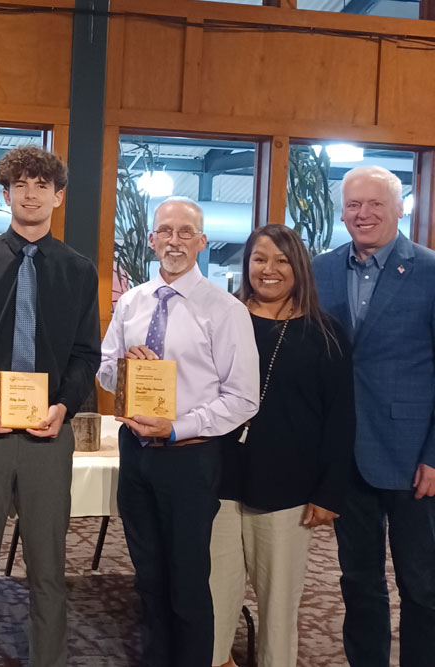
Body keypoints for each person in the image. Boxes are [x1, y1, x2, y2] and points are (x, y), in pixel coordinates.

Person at [0, 146, 101, 667]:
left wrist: (63, 406)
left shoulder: (78, 271)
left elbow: (85, 353)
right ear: (6, 194)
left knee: (49, 562)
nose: (30, 194)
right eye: (20, 185)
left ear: (57, 197)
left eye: (41, 185)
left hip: (49, 434)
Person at [97, 196, 259, 667]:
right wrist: (124, 370)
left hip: (189, 456)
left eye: (185, 232)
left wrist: (177, 428)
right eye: (165, 231)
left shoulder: (226, 310)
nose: (174, 240)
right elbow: (105, 371)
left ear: (202, 242)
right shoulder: (132, 302)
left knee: (188, 581)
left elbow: (243, 399)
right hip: (136, 454)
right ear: (152, 240)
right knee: (148, 577)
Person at [209, 224, 354, 667]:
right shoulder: (219, 320)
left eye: (281, 261)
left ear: (299, 268)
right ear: (246, 264)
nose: (268, 270)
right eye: (259, 259)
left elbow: (341, 420)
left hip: (288, 490)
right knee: (211, 603)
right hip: (216, 482)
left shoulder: (325, 333)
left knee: (278, 614)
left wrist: (330, 492)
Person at [312, 165, 435, 667]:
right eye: (353, 205)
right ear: (342, 213)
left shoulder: (430, 270)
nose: (363, 214)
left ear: (400, 208)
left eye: (375, 204)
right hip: (346, 455)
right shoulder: (319, 269)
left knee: (423, 585)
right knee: (358, 581)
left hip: (413, 460)